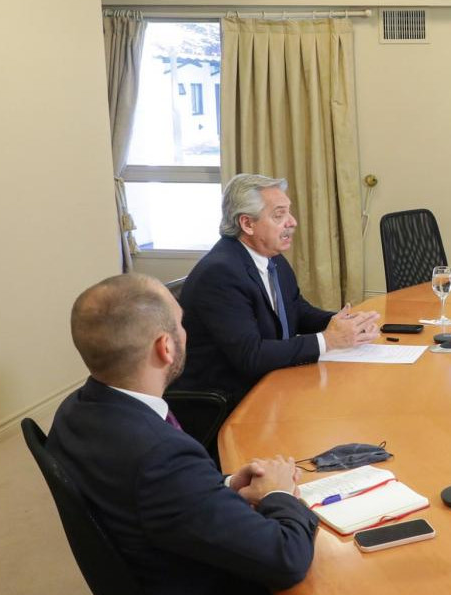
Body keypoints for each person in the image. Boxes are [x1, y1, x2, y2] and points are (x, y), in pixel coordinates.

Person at [47, 273, 318, 594]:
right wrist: (280, 494)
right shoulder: (162, 456)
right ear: (165, 347)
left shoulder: (71, 412)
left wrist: (226, 485)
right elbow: (287, 560)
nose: (186, 333)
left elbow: (159, 496)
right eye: (181, 324)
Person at [172, 173, 380, 402]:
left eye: (288, 212)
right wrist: (328, 340)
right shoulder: (220, 274)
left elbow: (297, 310)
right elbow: (251, 355)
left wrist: (346, 325)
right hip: (229, 400)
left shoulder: (271, 258)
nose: (292, 222)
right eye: (279, 215)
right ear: (247, 224)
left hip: (271, 383)